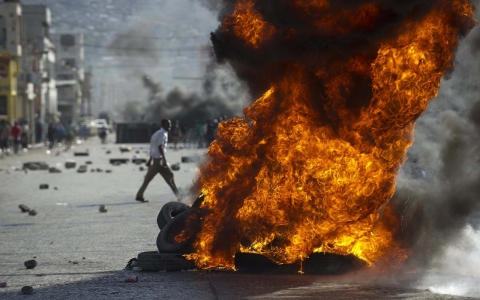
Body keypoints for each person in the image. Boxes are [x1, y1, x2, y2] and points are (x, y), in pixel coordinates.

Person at [135, 119, 179, 202]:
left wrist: (150, 159)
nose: (169, 126)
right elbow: (159, 146)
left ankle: (139, 195)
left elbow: (153, 147)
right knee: (170, 176)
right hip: (159, 161)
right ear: (163, 124)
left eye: (170, 124)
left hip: (156, 160)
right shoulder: (162, 133)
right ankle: (179, 196)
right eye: (168, 124)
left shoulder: (157, 133)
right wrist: (164, 159)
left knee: (147, 179)